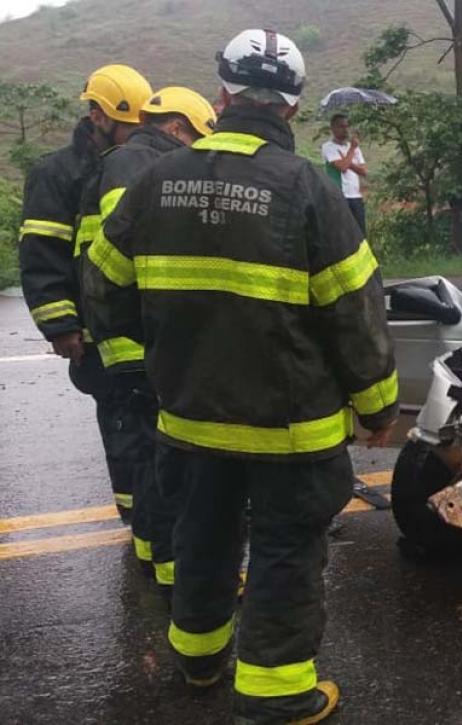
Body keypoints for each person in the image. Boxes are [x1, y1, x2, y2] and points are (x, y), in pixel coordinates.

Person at [89, 29, 398, 723]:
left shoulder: (154, 181)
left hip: (188, 416)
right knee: (286, 548)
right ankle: (276, 691)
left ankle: (198, 659)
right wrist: (378, 405)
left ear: (222, 96)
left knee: (201, 533)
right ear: (293, 107)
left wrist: (165, 347)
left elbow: (103, 286)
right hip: (290, 429)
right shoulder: (307, 190)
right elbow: (356, 311)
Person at [83, 86, 217, 589]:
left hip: (129, 335)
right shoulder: (141, 167)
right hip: (142, 338)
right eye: (197, 139)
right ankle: (172, 570)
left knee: (147, 456)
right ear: (178, 128)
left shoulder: (125, 161)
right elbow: (132, 254)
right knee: (166, 460)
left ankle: (150, 554)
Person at [18, 64, 152, 523]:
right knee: (122, 425)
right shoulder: (57, 173)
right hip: (92, 331)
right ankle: (139, 521)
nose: (137, 139)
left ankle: (152, 518)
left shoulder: (132, 165)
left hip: (136, 324)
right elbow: (42, 254)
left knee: (147, 426)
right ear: (98, 116)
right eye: (130, 128)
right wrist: (61, 326)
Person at [321, 112, 368, 236]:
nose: (345, 130)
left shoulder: (355, 147)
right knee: (342, 234)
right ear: (333, 128)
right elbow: (342, 167)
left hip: (356, 196)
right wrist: (351, 150)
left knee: (360, 234)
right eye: (341, 126)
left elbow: (364, 171)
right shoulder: (328, 147)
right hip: (340, 195)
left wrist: (348, 160)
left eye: (347, 126)